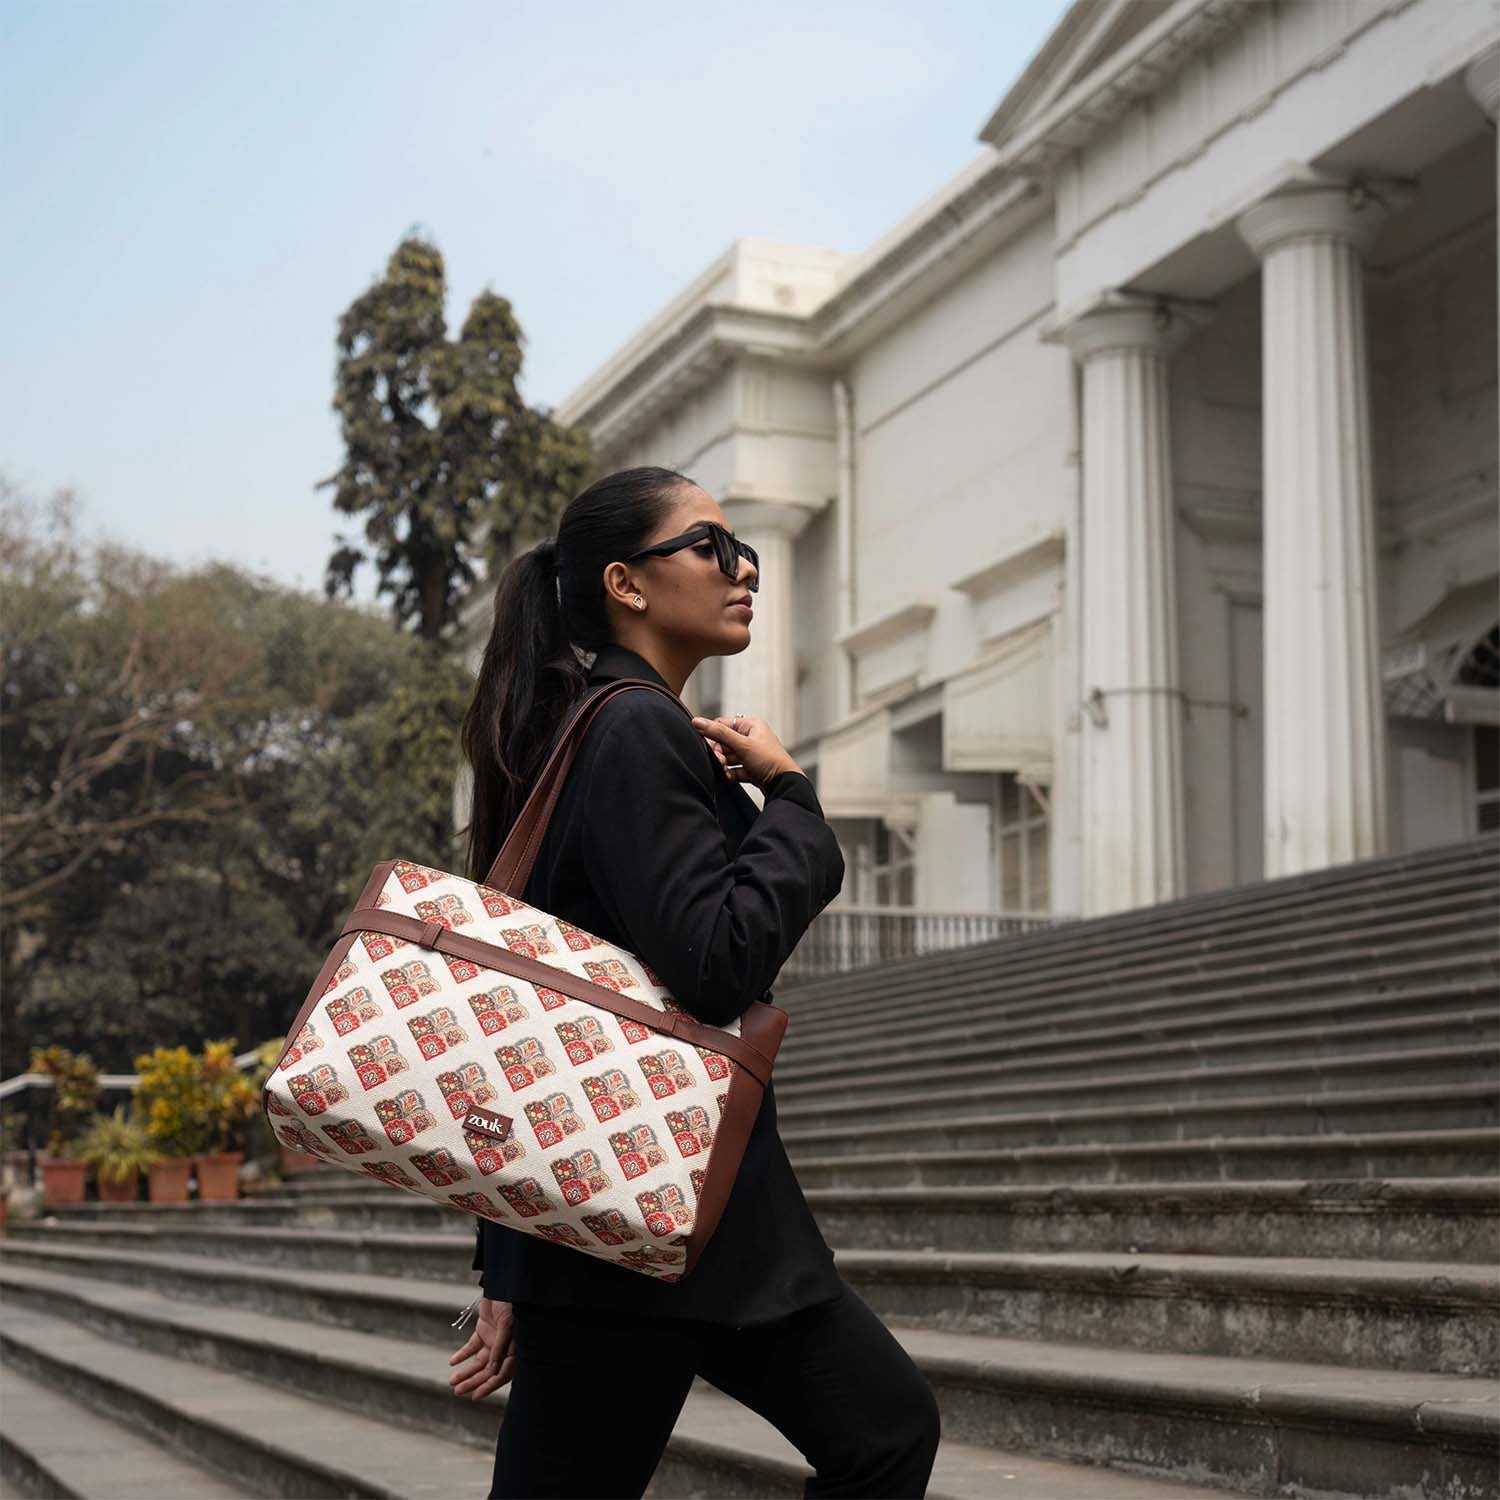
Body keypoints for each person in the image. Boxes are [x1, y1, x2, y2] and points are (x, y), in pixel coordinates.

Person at [447, 466, 942, 1498]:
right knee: (884, 1435)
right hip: (649, 1216)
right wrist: (797, 801)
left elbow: (524, 1010)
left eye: (744, 548)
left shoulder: (590, 729)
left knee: (885, 1432)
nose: (744, 568)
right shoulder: (633, 728)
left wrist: (509, 1261)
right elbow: (715, 963)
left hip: (646, 1217)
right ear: (627, 584)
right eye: (711, 546)